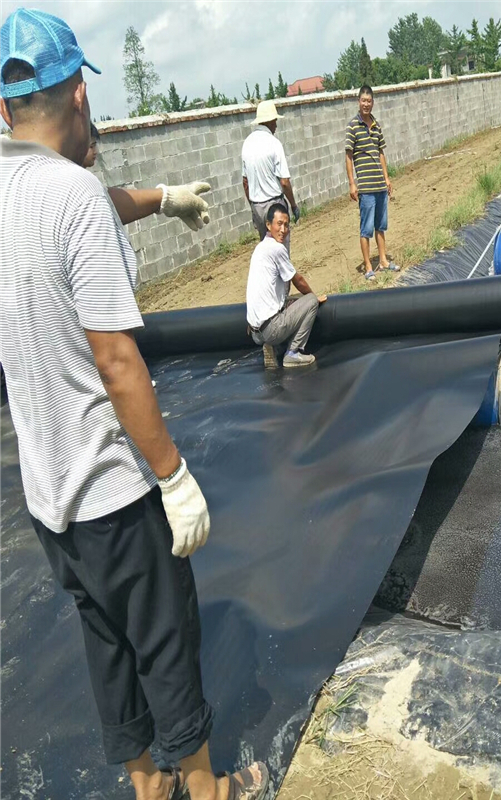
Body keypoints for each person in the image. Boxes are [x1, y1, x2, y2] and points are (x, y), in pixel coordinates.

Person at [0, 9, 270, 800]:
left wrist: (161, 198)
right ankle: (211, 790)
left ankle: (149, 790)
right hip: (114, 496)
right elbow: (118, 362)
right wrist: (173, 475)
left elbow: (71, 206)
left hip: (52, 505)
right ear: (80, 93)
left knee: (107, 650)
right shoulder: (71, 195)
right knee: (166, 644)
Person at [80, 120, 212, 232]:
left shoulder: (85, 182)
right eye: (91, 146)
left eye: (95, 145)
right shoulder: (79, 189)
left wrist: (167, 196)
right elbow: (105, 205)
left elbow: (110, 203)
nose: (96, 151)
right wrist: (167, 197)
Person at [246, 203, 326, 368]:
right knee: (309, 301)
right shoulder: (277, 249)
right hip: (270, 329)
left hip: (255, 332)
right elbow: (298, 280)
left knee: (294, 300)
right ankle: (293, 353)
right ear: (268, 225)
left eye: (286, 225)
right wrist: (315, 298)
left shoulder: (260, 248)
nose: (283, 230)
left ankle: (272, 347)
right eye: (279, 224)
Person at [345, 85, 399, 281]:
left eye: (369, 101)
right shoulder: (353, 126)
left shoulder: (376, 124)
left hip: (379, 186)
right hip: (366, 188)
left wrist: (387, 178)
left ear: (373, 103)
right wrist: (352, 183)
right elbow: (349, 157)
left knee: (380, 225)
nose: (366, 104)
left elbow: (381, 152)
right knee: (366, 228)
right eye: (363, 101)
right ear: (359, 102)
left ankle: (383, 260)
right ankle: (368, 266)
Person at [241, 99, 300, 250]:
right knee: (281, 249)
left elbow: (245, 183)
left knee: (267, 251)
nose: (276, 125)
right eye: (274, 121)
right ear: (270, 121)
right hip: (275, 205)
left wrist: (254, 207)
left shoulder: (247, 144)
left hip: (257, 207)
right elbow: (285, 182)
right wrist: (293, 205)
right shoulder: (274, 143)